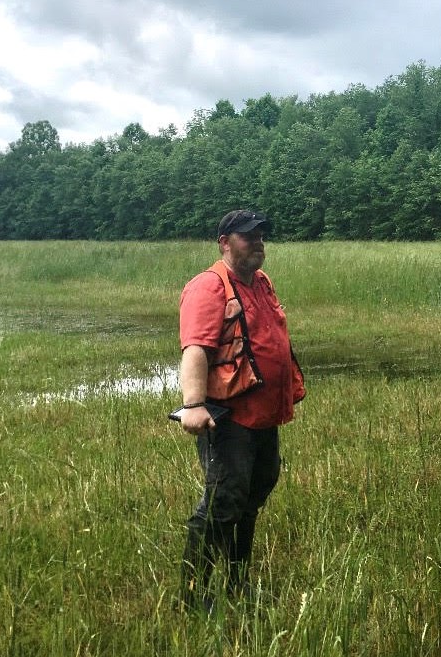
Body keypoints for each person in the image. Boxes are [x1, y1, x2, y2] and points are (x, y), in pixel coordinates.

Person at [177, 209, 305, 612]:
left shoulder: (261, 283)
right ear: (225, 242)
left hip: (263, 415)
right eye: (248, 236)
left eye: (261, 235)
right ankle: (193, 598)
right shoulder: (208, 287)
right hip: (227, 418)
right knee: (223, 503)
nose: (258, 242)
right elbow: (195, 349)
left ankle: (236, 584)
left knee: (254, 492)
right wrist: (194, 406)